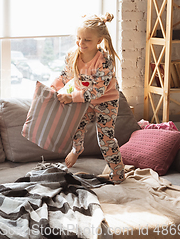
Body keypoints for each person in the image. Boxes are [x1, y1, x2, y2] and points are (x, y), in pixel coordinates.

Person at [51, 13, 125, 184]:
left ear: (99, 40)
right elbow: (65, 76)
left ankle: (118, 172)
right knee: (76, 126)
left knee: (105, 139)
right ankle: (77, 149)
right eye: (78, 38)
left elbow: (98, 91)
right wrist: (53, 89)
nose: (81, 43)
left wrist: (72, 97)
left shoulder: (104, 61)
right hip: (84, 101)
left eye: (87, 40)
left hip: (106, 102)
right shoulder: (73, 55)